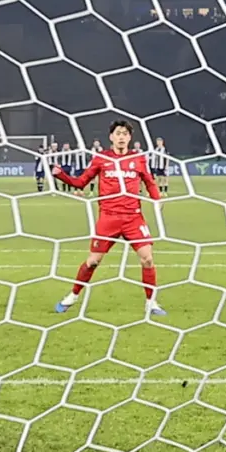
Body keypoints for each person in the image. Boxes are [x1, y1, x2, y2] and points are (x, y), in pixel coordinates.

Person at [51, 120, 166, 317]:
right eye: (118, 133)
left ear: (130, 137)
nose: (121, 137)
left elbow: (149, 181)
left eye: (125, 134)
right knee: (93, 261)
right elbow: (81, 182)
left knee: (147, 258)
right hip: (108, 218)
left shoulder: (138, 159)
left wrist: (156, 199)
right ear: (111, 137)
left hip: (133, 218)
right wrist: (61, 175)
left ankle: (151, 302)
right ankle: (72, 296)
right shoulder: (101, 159)